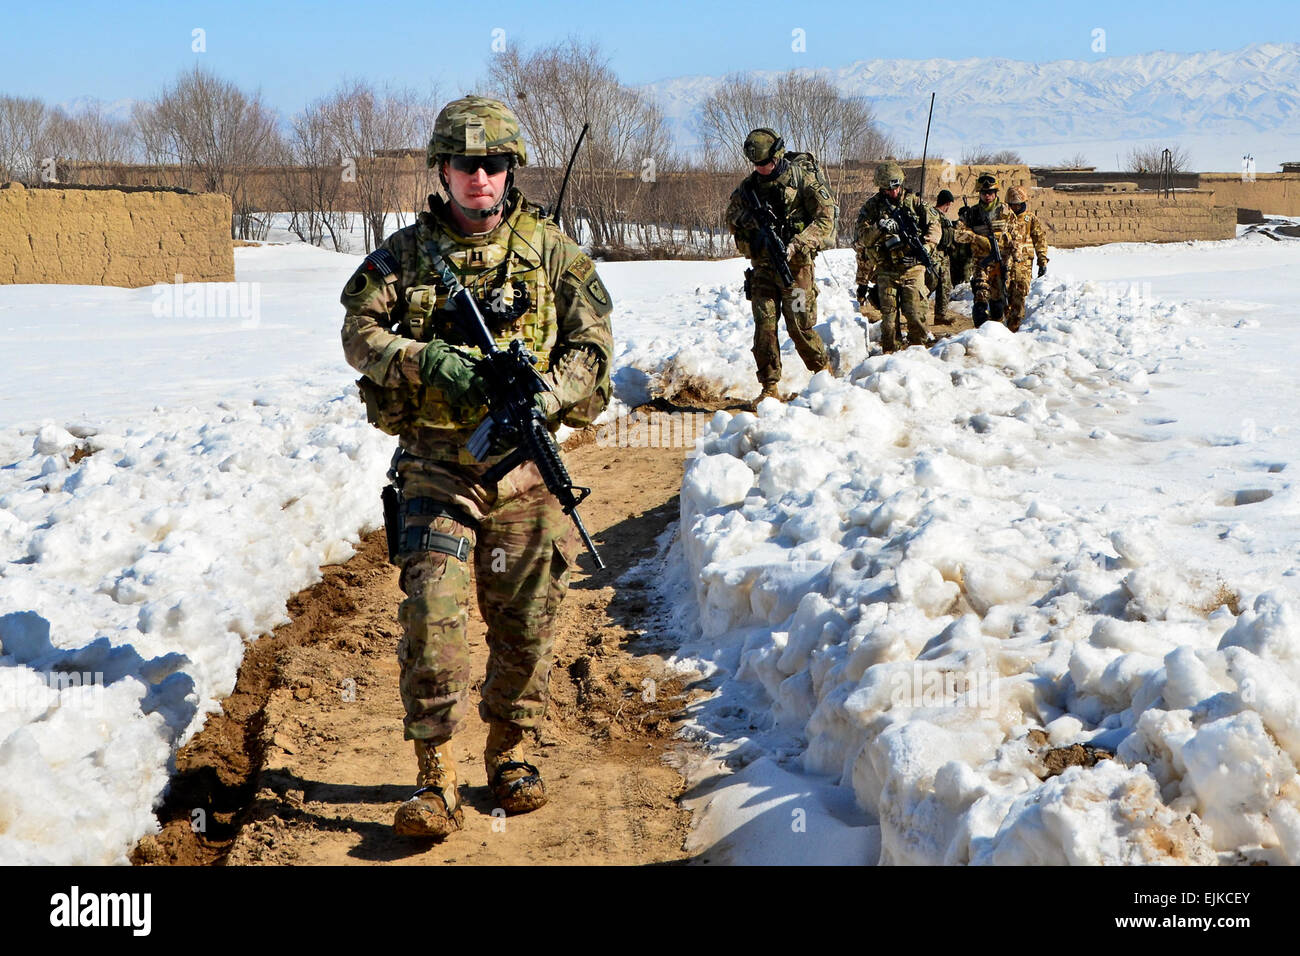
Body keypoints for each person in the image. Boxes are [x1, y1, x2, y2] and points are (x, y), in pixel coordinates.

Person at [339, 95, 614, 840]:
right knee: (432, 615)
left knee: (527, 622)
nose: (481, 177)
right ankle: (436, 778)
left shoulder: (555, 251)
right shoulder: (405, 254)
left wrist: (550, 392)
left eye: (493, 163)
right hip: (436, 464)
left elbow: (594, 347)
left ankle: (512, 754)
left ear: (510, 168)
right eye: (466, 164)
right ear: (444, 169)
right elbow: (359, 334)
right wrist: (427, 359)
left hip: (523, 469)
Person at [724, 128, 836, 404]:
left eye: (766, 163)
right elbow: (732, 215)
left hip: (796, 270)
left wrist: (797, 243)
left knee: (800, 327)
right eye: (756, 165)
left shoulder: (803, 181)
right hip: (763, 269)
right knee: (764, 328)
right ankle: (770, 387)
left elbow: (826, 219)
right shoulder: (748, 188)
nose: (761, 169)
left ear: (778, 155)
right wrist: (751, 221)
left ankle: (824, 373)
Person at [853, 160, 942, 352]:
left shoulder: (915, 202)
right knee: (889, 322)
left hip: (913, 267)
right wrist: (880, 227)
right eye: (887, 189)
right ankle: (890, 357)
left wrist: (927, 247)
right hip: (886, 268)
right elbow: (862, 238)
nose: (893, 192)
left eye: (896, 187)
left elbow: (935, 226)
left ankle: (918, 353)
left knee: (916, 315)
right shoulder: (872, 207)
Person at [955, 172, 1017, 328]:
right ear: (979, 193)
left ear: (996, 193)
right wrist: (977, 239)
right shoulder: (972, 213)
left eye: (990, 192)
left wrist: (1014, 255)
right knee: (980, 300)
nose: (987, 196)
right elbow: (958, 234)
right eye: (984, 193)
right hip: (980, 264)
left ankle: (995, 333)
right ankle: (980, 333)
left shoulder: (1005, 211)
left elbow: (1016, 235)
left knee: (998, 304)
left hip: (1000, 263)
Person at [1003, 185, 1049, 331]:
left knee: (1019, 295)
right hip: (1005, 263)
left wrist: (1042, 260)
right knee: (1004, 295)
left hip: (1024, 265)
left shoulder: (1030, 218)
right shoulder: (1004, 218)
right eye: (1012, 205)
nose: (1015, 207)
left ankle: (1014, 327)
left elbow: (1039, 239)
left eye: (1017, 204)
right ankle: (1003, 326)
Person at [927, 188, 958, 326]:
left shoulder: (943, 218)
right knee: (928, 286)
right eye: (949, 205)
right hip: (934, 256)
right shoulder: (933, 215)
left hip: (944, 257)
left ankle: (940, 315)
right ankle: (917, 313)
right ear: (946, 204)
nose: (948, 208)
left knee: (945, 286)